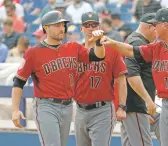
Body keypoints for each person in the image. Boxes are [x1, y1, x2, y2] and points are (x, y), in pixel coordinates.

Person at [101, 8, 168, 146]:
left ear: (165, 25)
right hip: (165, 105)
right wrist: (111, 42)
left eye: (156, 25)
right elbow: (131, 51)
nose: (153, 28)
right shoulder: (158, 45)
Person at [11, 10, 105, 146]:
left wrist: (99, 43)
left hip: (67, 106)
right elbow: (18, 81)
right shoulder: (33, 52)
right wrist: (15, 110)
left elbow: (98, 56)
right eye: (57, 25)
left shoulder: (74, 47)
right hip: (46, 105)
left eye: (63, 25)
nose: (62, 28)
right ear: (46, 28)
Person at [74, 12, 128, 146]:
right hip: (80, 110)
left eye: (94, 25)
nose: (91, 28)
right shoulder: (76, 51)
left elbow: (121, 80)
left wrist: (121, 106)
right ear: (81, 28)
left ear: (100, 27)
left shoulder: (111, 50)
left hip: (102, 109)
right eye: (87, 25)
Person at [121, 13, 158, 146]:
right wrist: (148, 102)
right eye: (156, 28)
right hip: (136, 104)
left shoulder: (134, 40)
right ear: (150, 27)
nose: (157, 33)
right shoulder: (137, 42)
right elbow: (132, 76)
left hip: (131, 104)